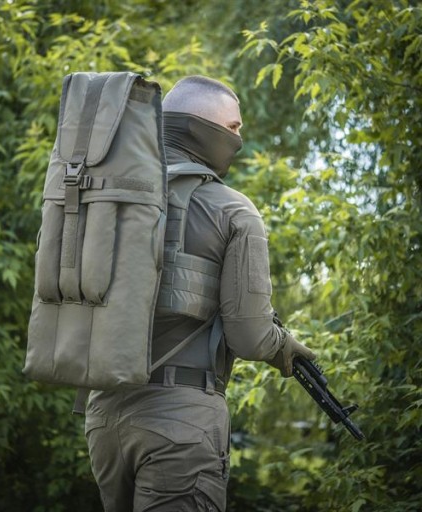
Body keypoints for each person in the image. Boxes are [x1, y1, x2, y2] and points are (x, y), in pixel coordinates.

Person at [83, 75, 315, 512]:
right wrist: (286, 348)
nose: (239, 138)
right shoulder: (232, 209)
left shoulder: (108, 196)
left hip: (105, 417)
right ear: (203, 128)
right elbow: (251, 338)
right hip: (181, 421)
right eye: (234, 127)